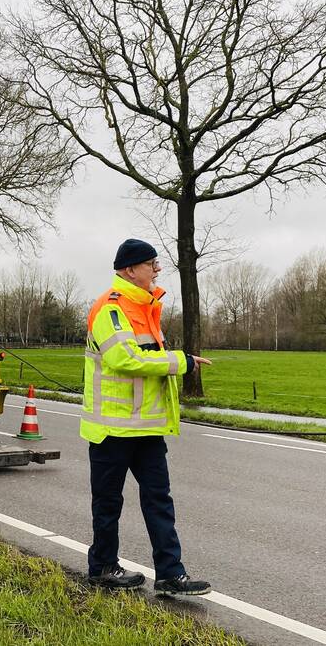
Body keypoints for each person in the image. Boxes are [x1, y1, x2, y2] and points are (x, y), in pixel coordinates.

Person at [83, 238, 212, 594]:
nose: (157, 269)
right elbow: (125, 360)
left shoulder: (146, 309)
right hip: (112, 428)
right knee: (108, 503)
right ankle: (103, 567)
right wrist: (180, 361)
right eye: (151, 264)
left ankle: (171, 573)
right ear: (129, 270)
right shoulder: (110, 310)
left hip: (146, 428)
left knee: (159, 499)